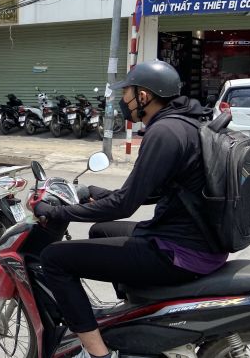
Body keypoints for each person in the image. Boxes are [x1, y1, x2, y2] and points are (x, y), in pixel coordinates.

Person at [34, 60, 227, 358]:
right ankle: (135, 317)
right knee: (101, 231)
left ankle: (98, 353)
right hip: (199, 242)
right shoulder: (186, 123)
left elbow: (125, 205)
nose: (122, 100)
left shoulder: (164, 133)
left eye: (126, 93)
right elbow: (154, 191)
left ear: (144, 96)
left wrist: (60, 212)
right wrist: (97, 193)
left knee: (53, 259)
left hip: (179, 253)